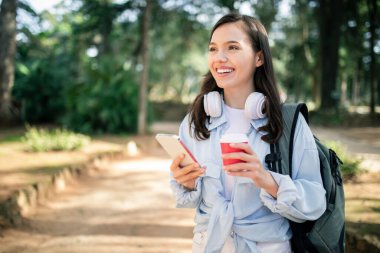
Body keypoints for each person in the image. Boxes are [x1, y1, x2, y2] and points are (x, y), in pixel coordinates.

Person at [169, 13, 326, 253]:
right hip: (210, 246)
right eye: (213, 49)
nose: (219, 58)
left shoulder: (287, 122)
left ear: (259, 57)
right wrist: (187, 183)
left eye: (232, 47)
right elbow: (191, 198)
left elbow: (315, 200)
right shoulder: (196, 120)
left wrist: (267, 180)